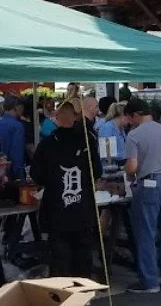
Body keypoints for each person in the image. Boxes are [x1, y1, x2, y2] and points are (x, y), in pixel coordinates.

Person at [30, 102, 101, 277]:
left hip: (57, 209)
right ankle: (83, 290)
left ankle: (62, 291)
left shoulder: (47, 144)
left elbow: (36, 175)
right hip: (83, 209)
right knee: (83, 258)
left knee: (59, 260)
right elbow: (97, 171)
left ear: (56, 118)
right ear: (75, 117)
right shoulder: (87, 141)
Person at [124, 98, 161, 294]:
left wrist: (128, 174)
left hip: (150, 184)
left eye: (129, 118)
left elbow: (132, 166)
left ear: (135, 115)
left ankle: (150, 282)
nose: (129, 122)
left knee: (146, 233)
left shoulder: (134, 135)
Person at [0, 95, 27, 180]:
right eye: (22, 107)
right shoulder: (17, 126)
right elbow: (17, 153)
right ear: (16, 107)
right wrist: (20, 176)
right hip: (12, 173)